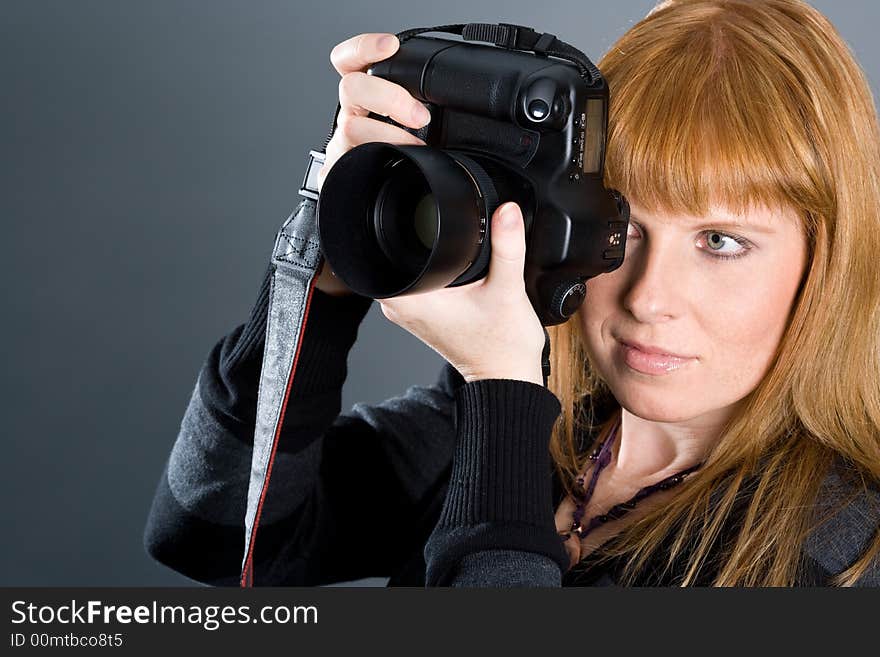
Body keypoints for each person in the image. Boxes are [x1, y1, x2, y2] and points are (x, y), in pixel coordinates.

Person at [144, 0, 880, 586]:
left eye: (721, 241)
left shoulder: (843, 546)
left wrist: (502, 391)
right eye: (619, 228)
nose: (649, 298)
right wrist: (327, 272)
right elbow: (211, 534)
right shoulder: (542, 419)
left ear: (829, 260)